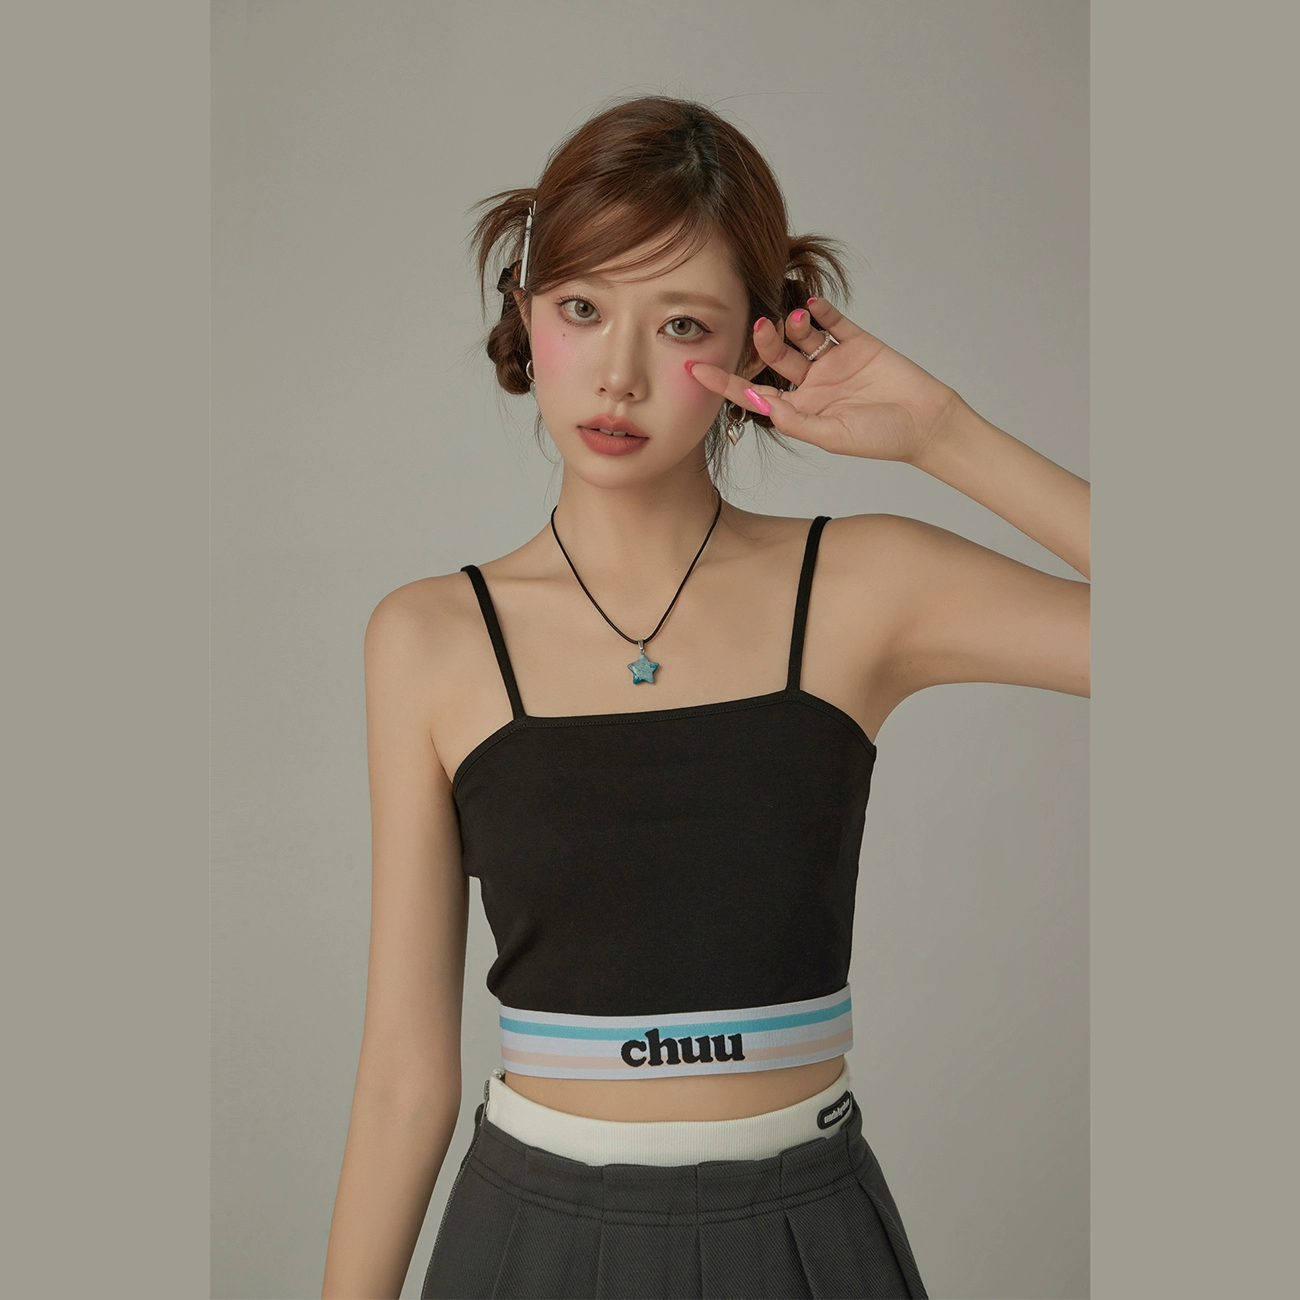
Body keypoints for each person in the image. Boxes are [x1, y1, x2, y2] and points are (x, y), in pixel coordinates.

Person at [321, 95, 1088, 1300]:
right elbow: (403, 1080)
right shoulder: (429, 638)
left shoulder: (863, 587)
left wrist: (941, 434)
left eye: (679, 322)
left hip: (802, 1235)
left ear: (757, 340)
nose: (618, 374)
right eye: (582, 308)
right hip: (527, 1238)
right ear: (526, 310)